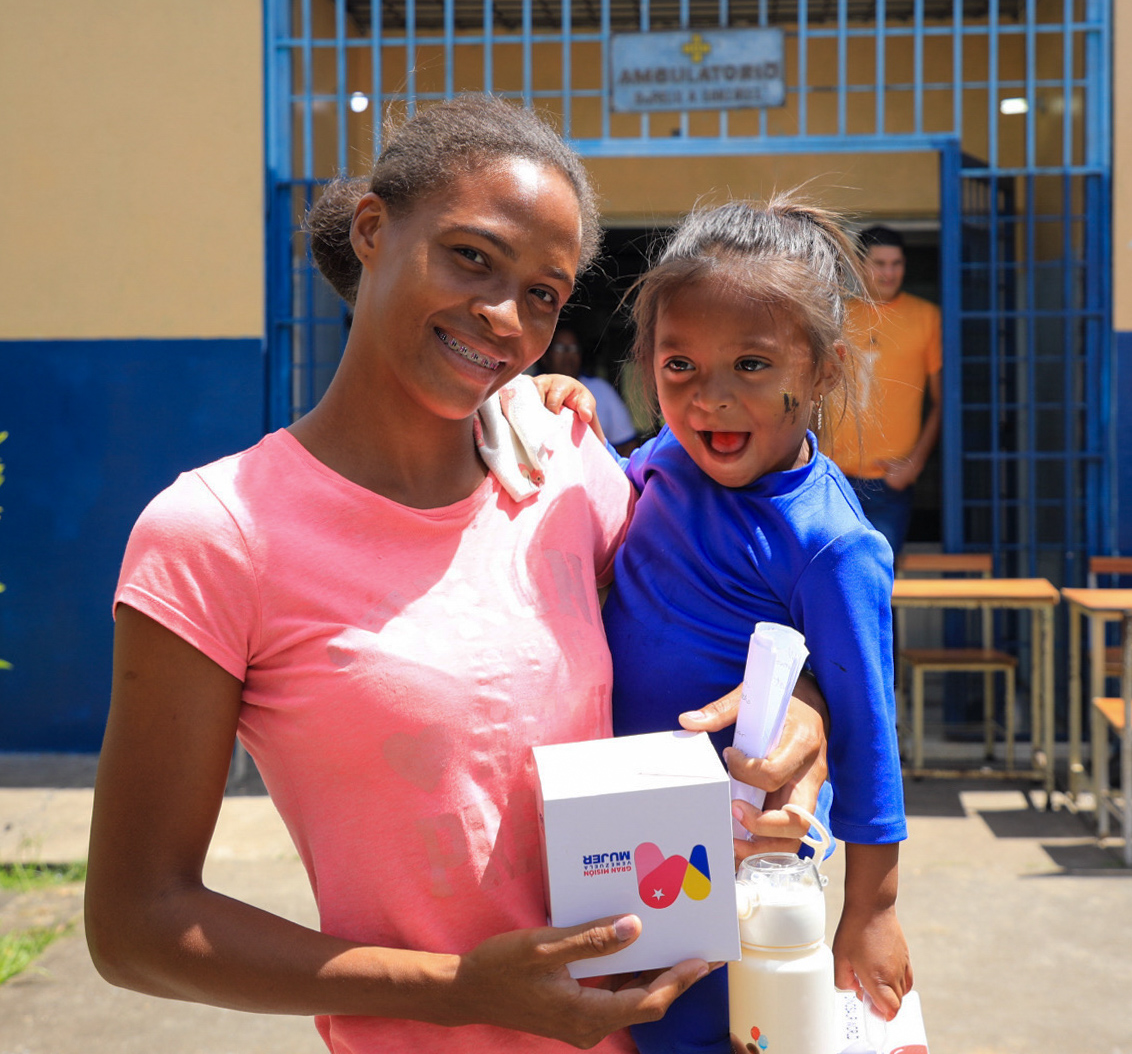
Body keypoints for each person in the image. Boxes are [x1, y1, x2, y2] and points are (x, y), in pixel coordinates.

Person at [83, 98, 831, 1054]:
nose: (502, 317)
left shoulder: (567, 470)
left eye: (544, 295)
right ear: (371, 231)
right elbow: (138, 925)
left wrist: (800, 705)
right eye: (472, 256)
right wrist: (460, 991)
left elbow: (755, 596)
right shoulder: (217, 536)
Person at [543, 199, 912, 1053]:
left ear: (821, 370)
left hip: (733, 855)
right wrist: (565, 411)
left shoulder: (832, 543)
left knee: (715, 1029)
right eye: (679, 365)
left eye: (751, 364)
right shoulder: (667, 457)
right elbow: (607, 499)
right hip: (616, 833)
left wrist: (873, 909)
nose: (711, 399)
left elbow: (868, 731)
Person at [821, 225, 941, 561]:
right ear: (860, 265)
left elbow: (944, 403)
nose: (889, 272)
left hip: (889, 482)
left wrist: (915, 464)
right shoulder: (837, 317)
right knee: (833, 578)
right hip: (833, 475)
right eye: (879, 263)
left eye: (896, 263)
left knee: (879, 582)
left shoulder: (927, 318)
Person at [541, 325, 641, 455]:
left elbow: (628, 444)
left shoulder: (601, 389)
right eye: (560, 348)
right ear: (544, 355)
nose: (568, 355)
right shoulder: (530, 389)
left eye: (573, 349)